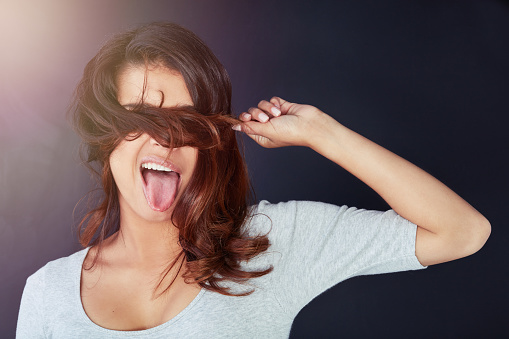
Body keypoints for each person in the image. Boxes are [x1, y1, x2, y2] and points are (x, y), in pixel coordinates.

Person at [16, 22, 490, 338]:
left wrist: (321, 133)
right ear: (107, 135)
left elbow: (463, 232)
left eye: (188, 122)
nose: (166, 142)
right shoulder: (48, 294)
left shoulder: (271, 245)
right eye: (144, 117)